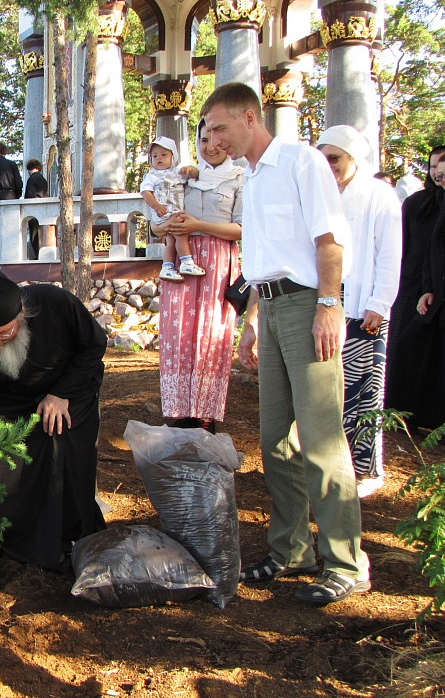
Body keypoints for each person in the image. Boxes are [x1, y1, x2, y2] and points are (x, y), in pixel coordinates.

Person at [202, 82, 370, 604]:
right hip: (270, 309)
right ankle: (291, 549)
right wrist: (252, 322)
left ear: (250, 117)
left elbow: (329, 238)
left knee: (321, 436)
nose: (215, 139)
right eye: (208, 131)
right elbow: (261, 257)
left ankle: (346, 560)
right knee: (275, 439)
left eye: (221, 128)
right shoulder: (250, 177)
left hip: (306, 307)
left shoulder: (301, 161)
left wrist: (328, 305)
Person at [0, 269, 108, 571]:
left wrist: (60, 393)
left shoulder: (56, 303)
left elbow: (93, 346)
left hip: (68, 388)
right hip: (10, 397)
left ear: (23, 315)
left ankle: (63, 535)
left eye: (4, 333)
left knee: (57, 431)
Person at [316, 125, 402, 499]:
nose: (328, 165)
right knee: (328, 389)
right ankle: (332, 465)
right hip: (327, 303)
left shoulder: (379, 194)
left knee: (364, 390)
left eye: (334, 158)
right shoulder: (320, 193)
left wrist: (380, 303)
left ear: (353, 157)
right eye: (323, 158)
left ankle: (366, 469)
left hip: (364, 306)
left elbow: (389, 254)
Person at [151, 120, 244, 434]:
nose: (211, 146)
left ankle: (205, 418)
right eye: (204, 140)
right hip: (180, 263)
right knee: (178, 334)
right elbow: (157, 221)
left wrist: (197, 226)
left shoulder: (239, 179)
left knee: (210, 334)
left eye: (218, 139)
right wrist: (165, 228)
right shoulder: (183, 178)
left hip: (217, 264)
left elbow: (241, 229)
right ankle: (178, 416)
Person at [386, 153, 445, 430]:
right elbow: (405, 246)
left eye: (442, 169)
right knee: (403, 348)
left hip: (433, 289)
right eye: (434, 168)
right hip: (412, 285)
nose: (437, 174)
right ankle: (400, 414)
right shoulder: (417, 203)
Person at [140, 137, 205, 282]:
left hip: (172, 211)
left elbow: (195, 174)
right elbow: (145, 192)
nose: (159, 158)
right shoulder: (151, 176)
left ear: (173, 156)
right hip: (165, 212)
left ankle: (167, 267)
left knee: (170, 241)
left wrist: (191, 170)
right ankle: (187, 262)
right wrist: (156, 206)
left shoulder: (177, 172)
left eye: (164, 155)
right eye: (155, 156)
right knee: (181, 234)